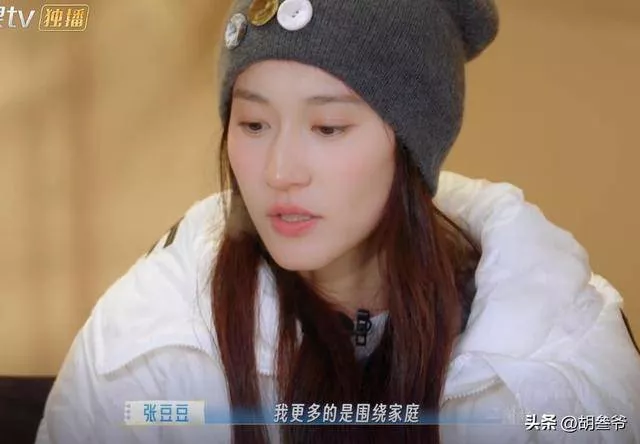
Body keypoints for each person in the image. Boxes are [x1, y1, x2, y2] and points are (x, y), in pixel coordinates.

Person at [36, 0, 640, 443]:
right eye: (253, 125)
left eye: (328, 128)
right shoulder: (150, 339)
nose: (280, 171)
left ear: (413, 146)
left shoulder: (557, 354)